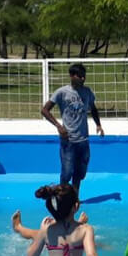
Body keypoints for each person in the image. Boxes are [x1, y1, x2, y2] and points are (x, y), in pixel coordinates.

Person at [41, 63, 103, 191]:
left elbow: (93, 109)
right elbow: (45, 110)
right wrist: (58, 126)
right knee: (67, 172)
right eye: (79, 76)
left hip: (83, 140)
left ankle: (75, 197)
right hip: (68, 140)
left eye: (84, 76)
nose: (82, 79)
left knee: (80, 173)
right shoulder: (62, 92)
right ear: (71, 76)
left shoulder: (87, 92)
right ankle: (61, 196)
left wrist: (98, 125)